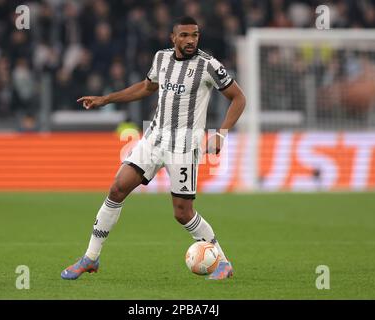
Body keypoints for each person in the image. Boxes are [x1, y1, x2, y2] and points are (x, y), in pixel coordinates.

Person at [61, 16, 246, 280]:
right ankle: (90, 258)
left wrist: (222, 134)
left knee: (182, 213)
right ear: (173, 38)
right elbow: (147, 87)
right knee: (117, 188)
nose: (190, 40)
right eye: (184, 35)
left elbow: (238, 98)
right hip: (154, 138)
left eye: (194, 35)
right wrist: (106, 99)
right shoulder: (161, 59)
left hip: (184, 147)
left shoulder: (208, 65)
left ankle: (223, 262)